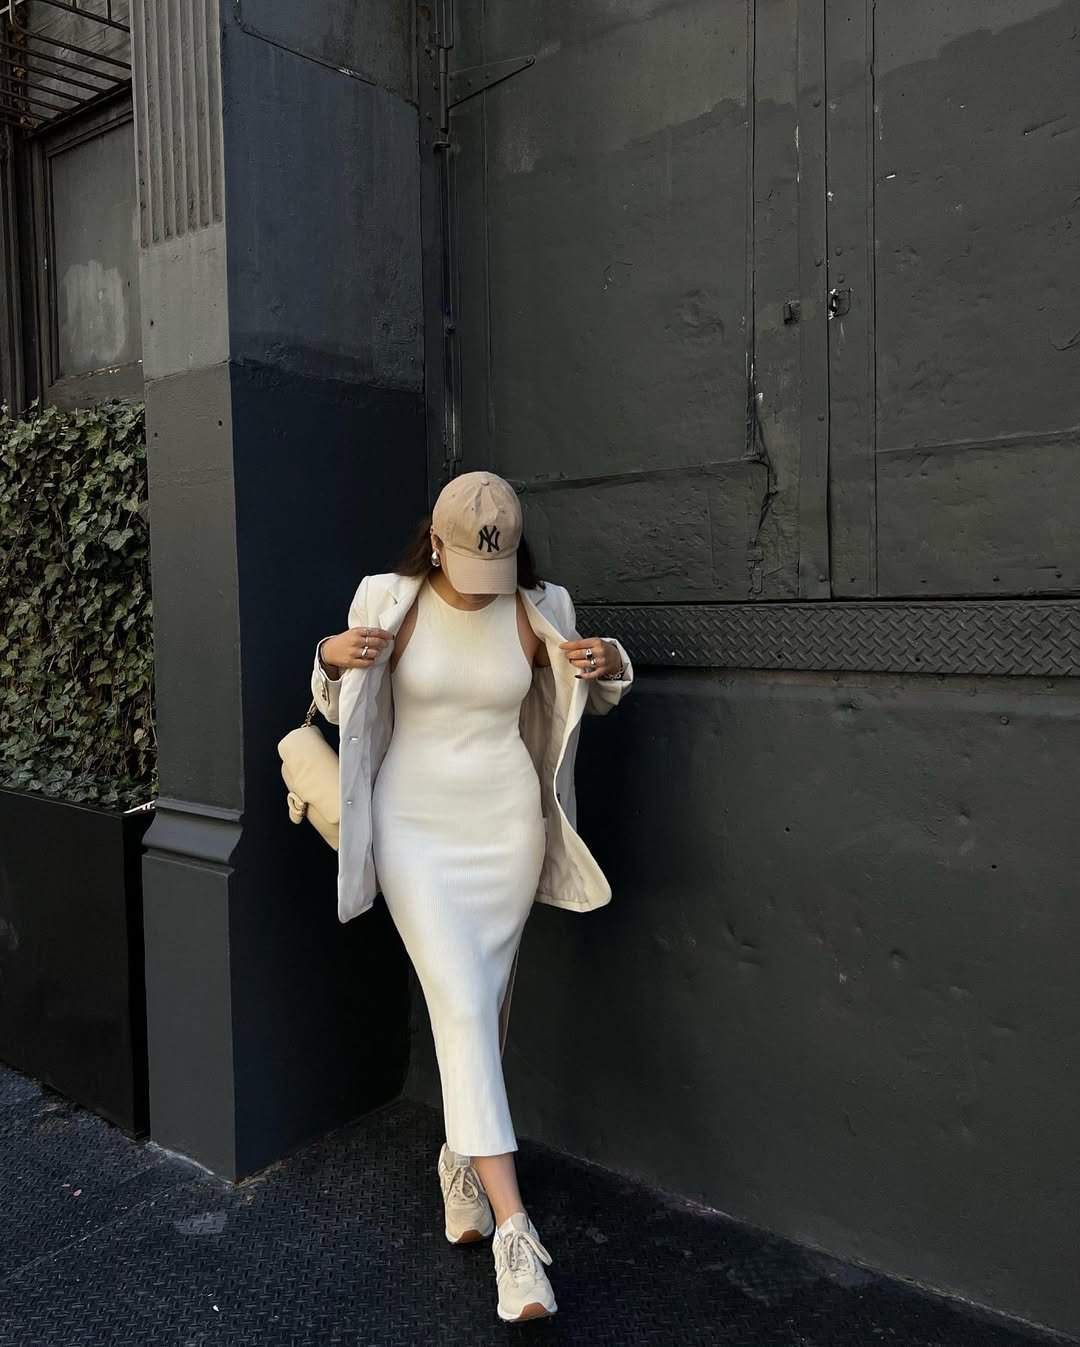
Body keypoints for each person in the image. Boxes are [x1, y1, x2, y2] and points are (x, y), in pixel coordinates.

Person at [310, 471, 633, 1323]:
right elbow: (342, 701)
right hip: (415, 825)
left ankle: (460, 1163)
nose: (483, 580)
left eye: (501, 562)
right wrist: (326, 658)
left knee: (482, 1007)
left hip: (506, 828)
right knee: (459, 998)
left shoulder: (538, 606)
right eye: (466, 562)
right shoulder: (391, 599)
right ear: (436, 542)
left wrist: (609, 662)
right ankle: (516, 1234)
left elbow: (588, 692)